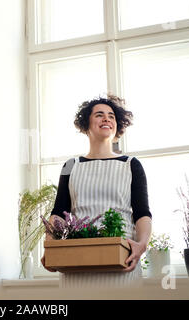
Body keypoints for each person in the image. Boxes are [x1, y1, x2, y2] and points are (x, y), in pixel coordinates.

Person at [41, 94, 152, 288]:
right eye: (99, 115)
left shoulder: (131, 165)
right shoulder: (70, 165)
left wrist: (141, 245)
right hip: (78, 262)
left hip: (123, 260)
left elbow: (142, 213)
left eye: (111, 116)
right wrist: (50, 245)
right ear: (86, 124)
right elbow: (59, 212)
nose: (106, 118)